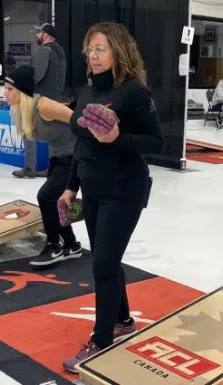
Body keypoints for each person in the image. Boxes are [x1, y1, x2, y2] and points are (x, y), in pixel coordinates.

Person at [60, 22, 164, 373]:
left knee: (103, 263)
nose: (93, 55)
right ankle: (122, 320)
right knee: (107, 260)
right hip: (91, 188)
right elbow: (81, 142)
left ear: (119, 51)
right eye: (90, 49)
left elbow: (156, 143)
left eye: (100, 48)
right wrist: (70, 185)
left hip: (123, 189)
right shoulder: (89, 91)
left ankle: (102, 341)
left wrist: (117, 137)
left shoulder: (134, 93)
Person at [3, 65, 82, 267]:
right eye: (5, 88)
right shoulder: (22, 111)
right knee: (57, 202)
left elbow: (79, 122)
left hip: (74, 157)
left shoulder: (43, 105)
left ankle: (53, 245)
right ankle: (72, 245)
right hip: (58, 157)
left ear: (23, 91)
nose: (6, 93)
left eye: (10, 89)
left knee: (45, 196)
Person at [13, 23, 66, 179]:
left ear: (46, 35)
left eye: (39, 33)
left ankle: (30, 167)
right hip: (55, 97)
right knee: (53, 136)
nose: (37, 35)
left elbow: (36, 75)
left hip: (38, 98)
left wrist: (22, 88)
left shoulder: (44, 50)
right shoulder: (60, 53)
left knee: (27, 130)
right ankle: (52, 168)